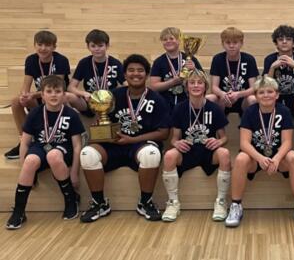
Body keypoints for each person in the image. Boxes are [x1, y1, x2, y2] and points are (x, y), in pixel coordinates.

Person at [79, 54, 170, 223]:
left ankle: (145, 202)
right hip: (114, 145)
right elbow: (101, 122)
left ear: (147, 74)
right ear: (125, 74)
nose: (136, 74)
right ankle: (99, 203)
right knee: (87, 154)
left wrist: (132, 140)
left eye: (140, 70)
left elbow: (164, 133)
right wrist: (104, 131)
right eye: (131, 70)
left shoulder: (157, 100)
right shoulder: (112, 96)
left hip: (140, 144)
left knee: (151, 154)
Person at [225, 76, 294, 228]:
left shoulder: (284, 111)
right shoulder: (250, 112)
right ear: (256, 96)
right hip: (255, 157)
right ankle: (236, 206)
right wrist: (260, 158)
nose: (266, 95)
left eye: (269, 91)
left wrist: (278, 158)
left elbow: (287, 141)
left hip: (278, 158)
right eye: (261, 92)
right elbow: (244, 143)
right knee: (240, 159)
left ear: (277, 94)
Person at [6, 76, 84, 229]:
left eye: (58, 91)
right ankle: (19, 211)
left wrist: (74, 172)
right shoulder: (35, 113)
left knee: (53, 155)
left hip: (63, 149)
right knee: (30, 161)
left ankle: (71, 199)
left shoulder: (71, 114)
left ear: (64, 95)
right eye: (49, 91)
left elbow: (76, 146)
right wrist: (24, 167)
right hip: (41, 146)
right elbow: (25, 142)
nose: (53, 95)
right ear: (42, 95)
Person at [162, 69, 231, 222]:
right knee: (169, 155)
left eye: (199, 82)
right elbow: (174, 139)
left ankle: (221, 201)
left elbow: (224, 137)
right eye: (192, 83)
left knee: (225, 153)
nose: (195, 86)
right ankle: (173, 202)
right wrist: (177, 143)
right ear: (186, 87)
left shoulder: (214, 108)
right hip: (188, 150)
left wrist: (219, 142)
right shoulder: (180, 108)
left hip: (208, 151)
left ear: (205, 86)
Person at [5, 29, 71, 160]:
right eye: (40, 44)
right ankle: (25, 140)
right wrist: (24, 96)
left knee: (54, 94)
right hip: (40, 98)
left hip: (58, 97)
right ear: (34, 45)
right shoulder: (31, 59)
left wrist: (33, 96)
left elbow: (56, 88)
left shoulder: (61, 60)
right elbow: (26, 85)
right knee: (16, 101)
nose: (43, 48)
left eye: (47, 45)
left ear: (54, 47)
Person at [67, 29, 125, 115]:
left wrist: (116, 95)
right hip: (90, 101)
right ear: (88, 47)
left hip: (110, 103)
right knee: (67, 96)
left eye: (100, 46)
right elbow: (71, 87)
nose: (97, 49)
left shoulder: (115, 63)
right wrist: (84, 93)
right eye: (93, 46)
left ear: (107, 45)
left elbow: (126, 84)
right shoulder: (84, 63)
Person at [207, 27, 258, 115]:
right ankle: (214, 127)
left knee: (252, 99)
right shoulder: (217, 59)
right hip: (223, 99)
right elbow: (214, 87)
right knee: (210, 98)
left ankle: (250, 126)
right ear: (223, 44)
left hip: (242, 98)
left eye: (235, 42)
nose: (231, 46)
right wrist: (222, 94)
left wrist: (238, 94)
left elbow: (253, 88)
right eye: (228, 42)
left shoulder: (249, 59)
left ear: (241, 43)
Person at [150, 27, 203, 110]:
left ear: (179, 41)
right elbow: (154, 86)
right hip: (165, 103)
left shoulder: (190, 58)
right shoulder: (159, 62)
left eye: (171, 38)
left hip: (188, 102)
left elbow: (204, 81)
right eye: (165, 39)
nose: (168, 41)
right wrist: (172, 82)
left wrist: (194, 69)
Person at [262, 25, 294, 117]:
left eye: (288, 39)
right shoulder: (269, 59)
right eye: (280, 39)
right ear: (276, 43)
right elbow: (265, 87)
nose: (284, 42)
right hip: (275, 98)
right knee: (263, 95)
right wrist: (272, 68)